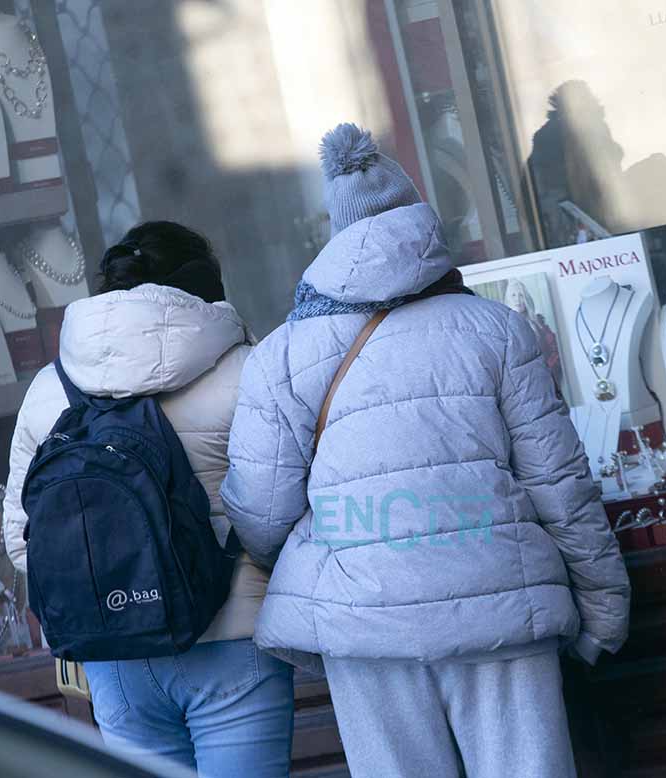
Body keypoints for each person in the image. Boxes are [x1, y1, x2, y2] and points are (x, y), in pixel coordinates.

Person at [222, 124, 630, 778]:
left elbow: (262, 516)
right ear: (424, 223)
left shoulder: (281, 356)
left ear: (338, 238)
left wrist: (350, 551)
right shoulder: (498, 330)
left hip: (364, 622)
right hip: (500, 607)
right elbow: (562, 488)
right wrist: (603, 607)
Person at [2, 221, 293, 778]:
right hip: (231, 638)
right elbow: (272, 513)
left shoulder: (49, 388)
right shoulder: (247, 370)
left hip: (112, 653)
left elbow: (24, 542)